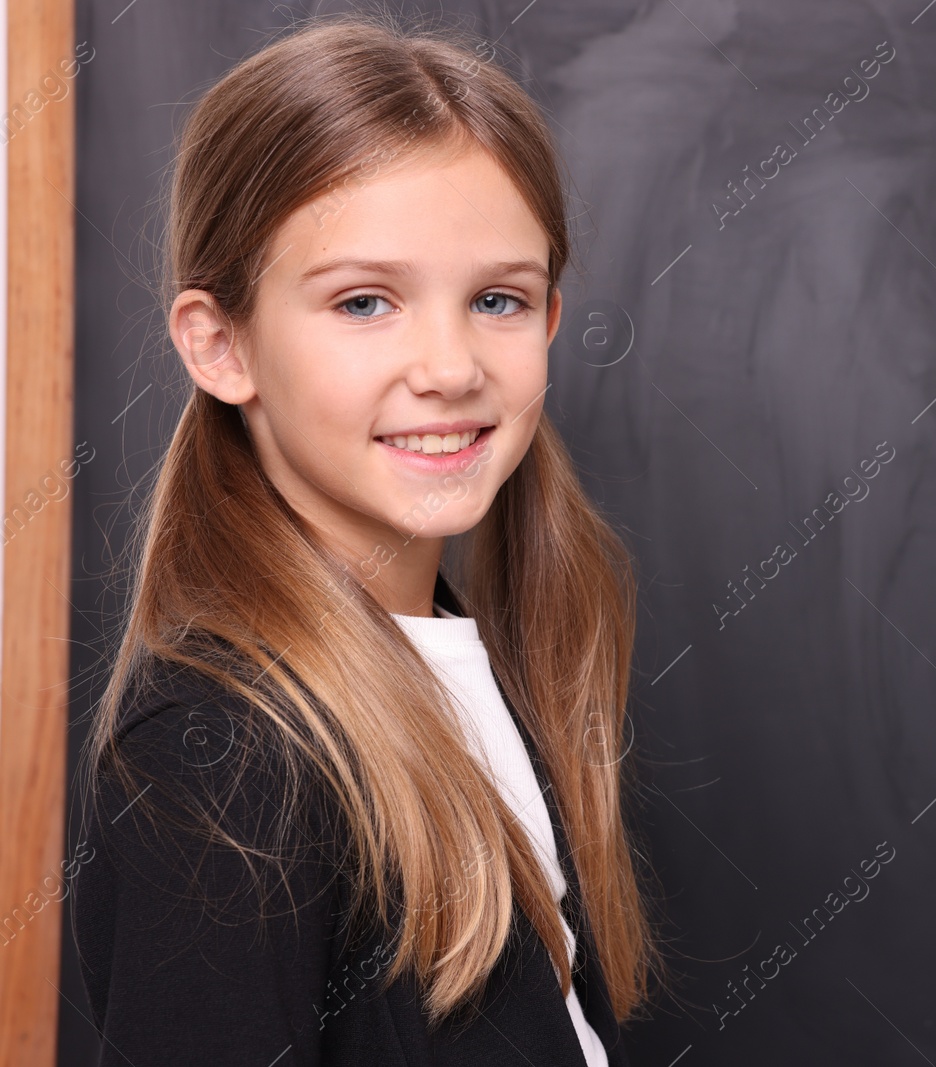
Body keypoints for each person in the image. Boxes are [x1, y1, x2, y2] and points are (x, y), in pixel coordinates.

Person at [69, 10, 663, 1064]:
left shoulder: (473, 657)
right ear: (222, 345)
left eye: (496, 299)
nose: (449, 364)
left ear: (551, 322)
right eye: (363, 301)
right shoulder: (218, 764)